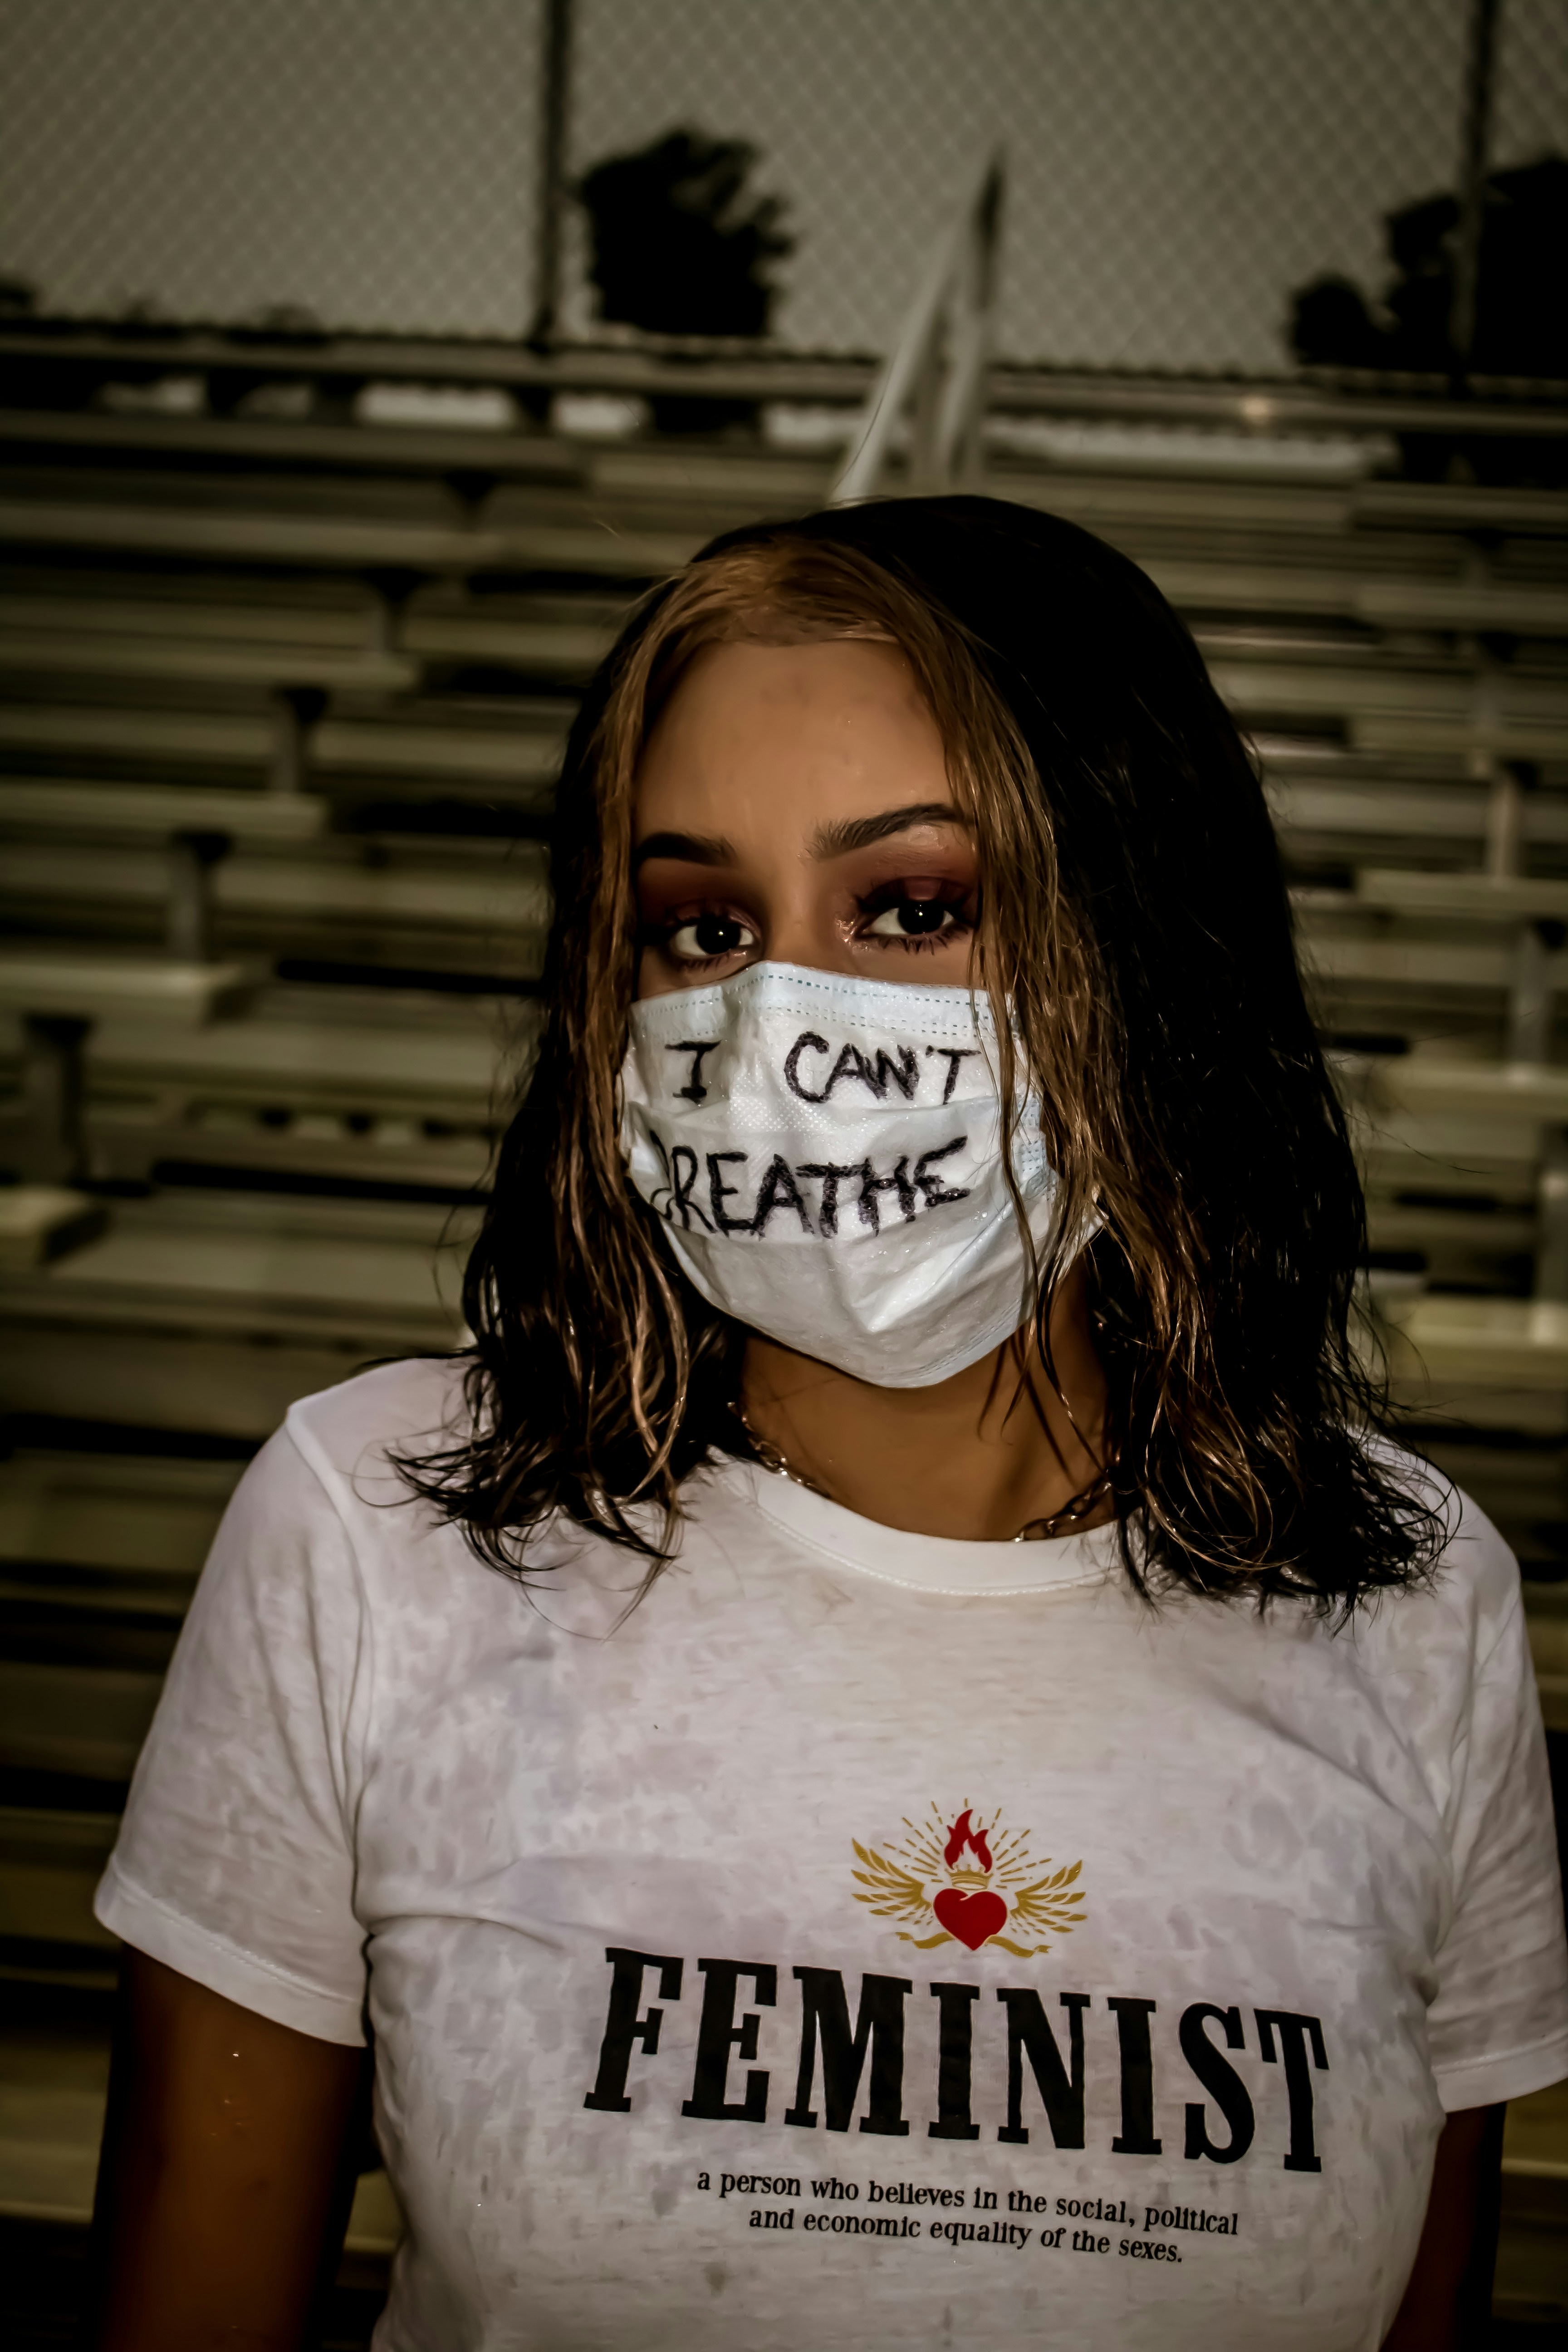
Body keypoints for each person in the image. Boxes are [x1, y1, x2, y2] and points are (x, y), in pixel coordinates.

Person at [88, 497, 1568, 2351]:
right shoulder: (372, 1538)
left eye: (916, 908)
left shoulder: (1418, 1613)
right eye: (701, 923)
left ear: (1146, 952)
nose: (785, 1019)